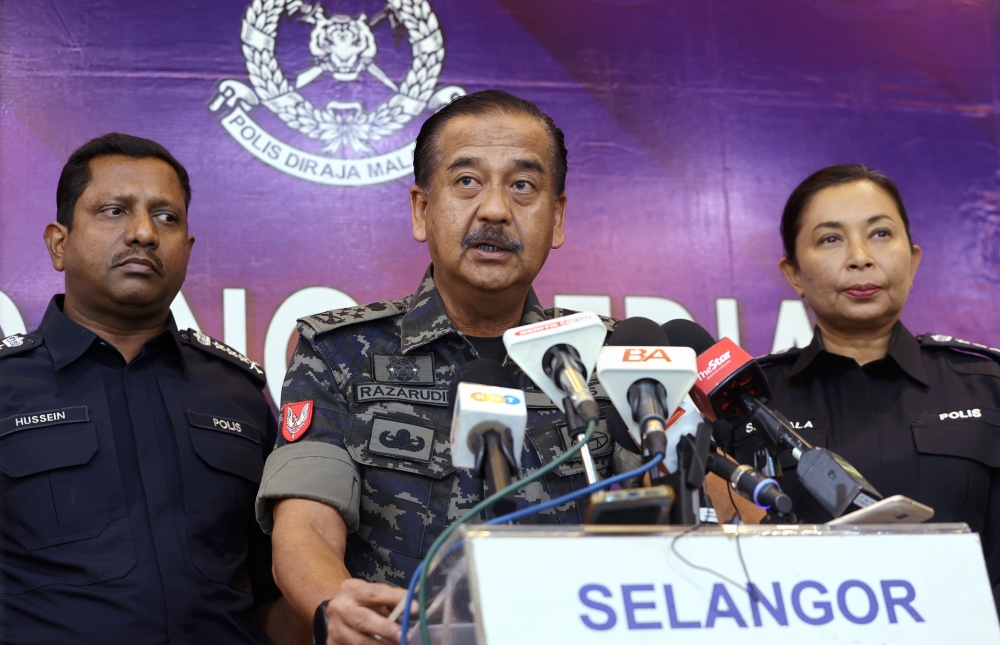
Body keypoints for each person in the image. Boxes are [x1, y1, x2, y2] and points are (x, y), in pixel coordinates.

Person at [256, 90, 638, 645]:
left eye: (523, 185)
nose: (495, 209)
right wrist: (331, 600)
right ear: (422, 210)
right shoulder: (341, 353)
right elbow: (307, 520)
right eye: (467, 181)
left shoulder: (608, 361)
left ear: (556, 219)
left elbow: (683, 510)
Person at [0, 133, 305, 644]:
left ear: (186, 250)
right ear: (59, 242)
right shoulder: (8, 387)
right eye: (114, 211)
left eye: (166, 217)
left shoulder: (238, 394)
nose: (143, 233)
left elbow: (273, 587)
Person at [733, 164, 1000, 604]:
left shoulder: (986, 387)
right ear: (793, 272)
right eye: (831, 238)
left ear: (913, 259)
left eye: (879, 234)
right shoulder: (747, 402)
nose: (860, 256)